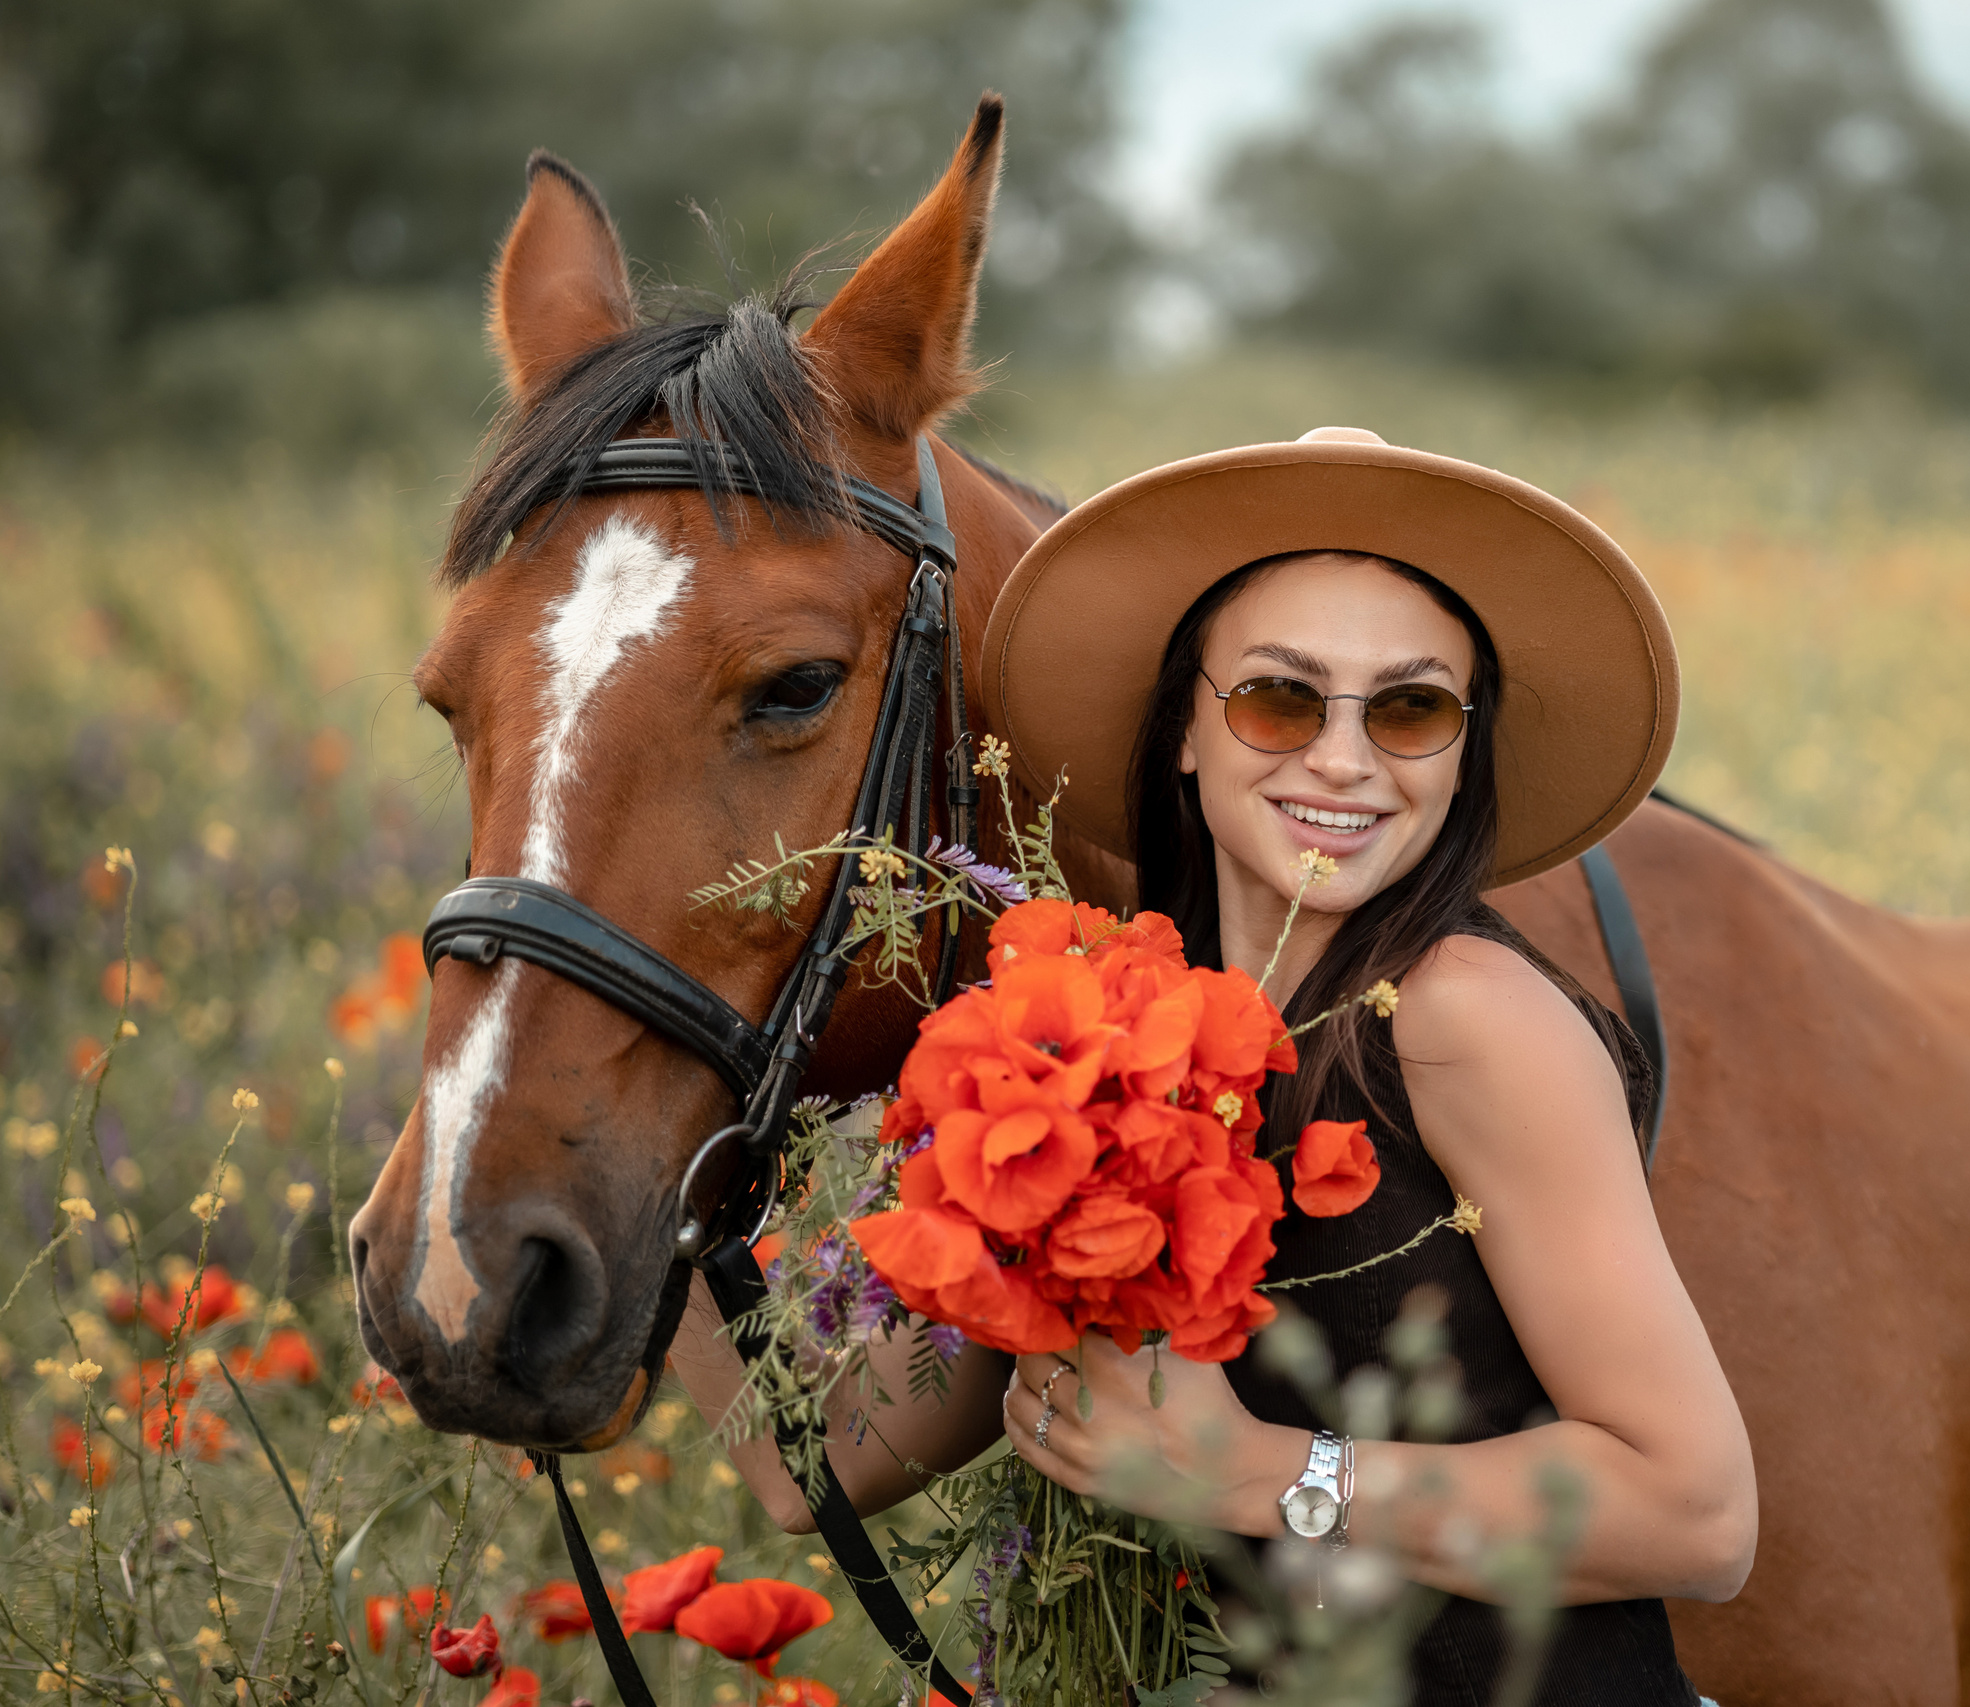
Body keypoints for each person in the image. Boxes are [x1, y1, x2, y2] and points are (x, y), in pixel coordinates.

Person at [672, 427, 1755, 1704]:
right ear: (1186, 726)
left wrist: (1259, 1476)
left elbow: (1696, 1514)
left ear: (1463, 751)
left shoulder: (1463, 1017)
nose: (1343, 759)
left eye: (1409, 709)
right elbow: (828, 1464)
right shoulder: (1108, 1035)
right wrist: (635, 1187)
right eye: (1280, 699)